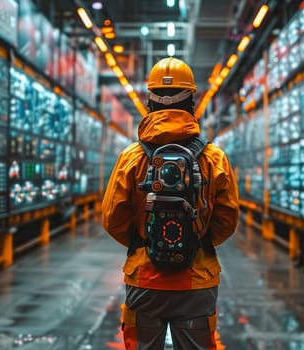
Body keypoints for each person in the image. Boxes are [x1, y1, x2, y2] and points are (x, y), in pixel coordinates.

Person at [101, 57, 239, 350]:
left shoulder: (131, 158)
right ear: (191, 101)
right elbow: (227, 220)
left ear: (149, 103)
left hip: (145, 280)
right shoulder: (214, 158)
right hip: (197, 282)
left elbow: (112, 218)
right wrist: (196, 241)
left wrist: (145, 241)